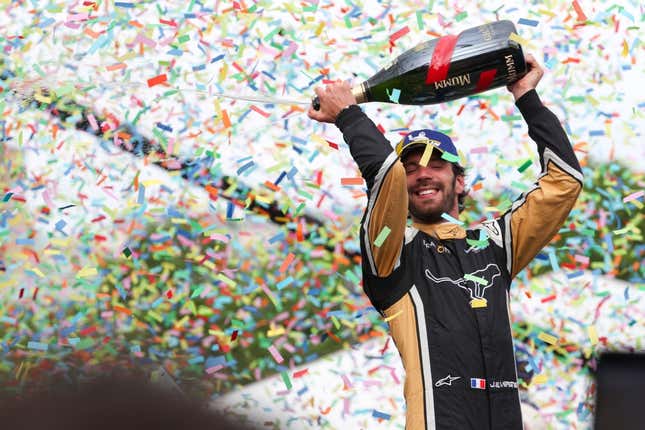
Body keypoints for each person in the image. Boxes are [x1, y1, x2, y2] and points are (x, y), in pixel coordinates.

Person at [308, 54, 583, 429]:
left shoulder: (495, 244)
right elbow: (385, 176)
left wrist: (525, 96)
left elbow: (563, 182)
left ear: (460, 181)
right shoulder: (389, 250)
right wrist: (348, 115)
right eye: (412, 167)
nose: (423, 174)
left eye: (437, 165)